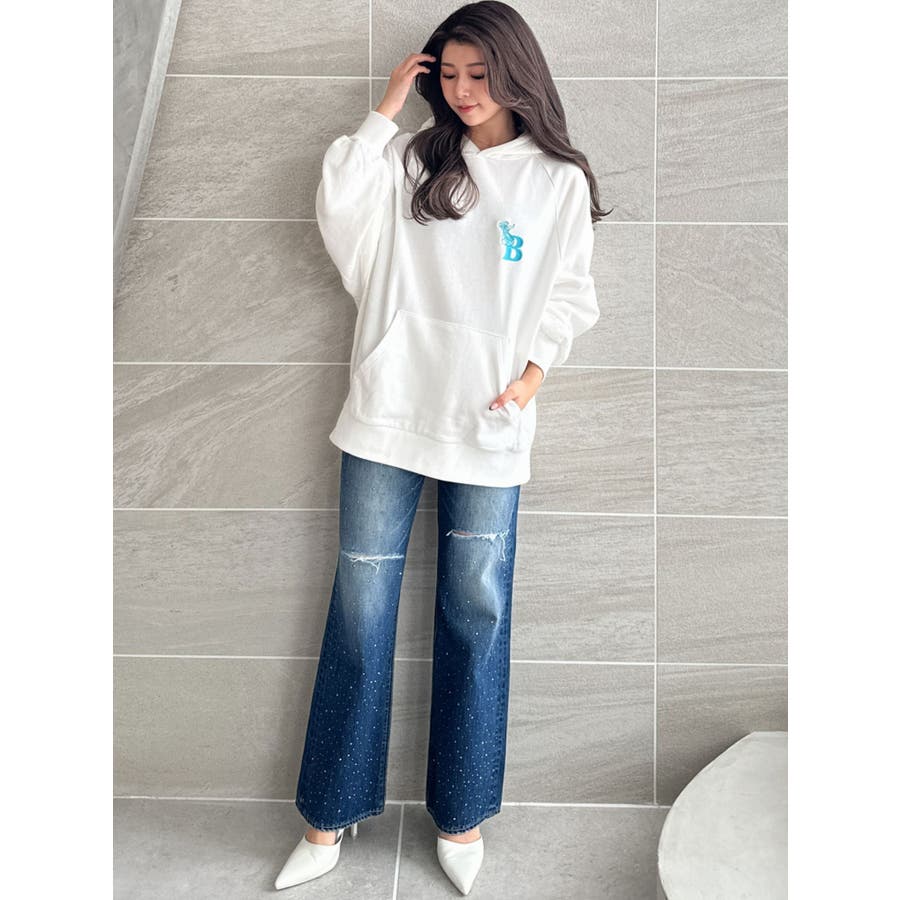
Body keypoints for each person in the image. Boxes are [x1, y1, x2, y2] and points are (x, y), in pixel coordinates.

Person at [276, 1, 610, 894]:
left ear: (516, 73)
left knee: (477, 609)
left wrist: (531, 378)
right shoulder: (414, 160)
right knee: (361, 607)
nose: (463, 92)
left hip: (491, 422)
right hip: (389, 410)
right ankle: (326, 814)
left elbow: (570, 293)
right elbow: (339, 213)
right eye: (449, 75)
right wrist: (384, 112)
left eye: (479, 75)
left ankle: (460, 815)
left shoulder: (557, 180)